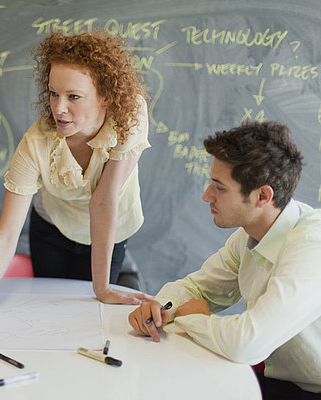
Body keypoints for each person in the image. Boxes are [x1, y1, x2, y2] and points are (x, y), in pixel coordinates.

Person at [0, 31, 152, 332]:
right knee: (50, 315)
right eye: (53, 93)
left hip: (109, 230)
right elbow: (7, 235)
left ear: (105, 96)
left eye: (73, 97)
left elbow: (103, 200)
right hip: (52, 228)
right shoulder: (37, 142)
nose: (58, 108)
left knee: (88, 320)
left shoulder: (131, 117)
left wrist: (102, 288)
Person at [128, 121, 321, 399]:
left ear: (262, 196)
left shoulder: (312, 245)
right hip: (276, 377)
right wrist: (162, 307)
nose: (207, 195)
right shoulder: (249, 234)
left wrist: (187, 317)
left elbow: (246, 343)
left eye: (219, 187)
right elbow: (197, 288)